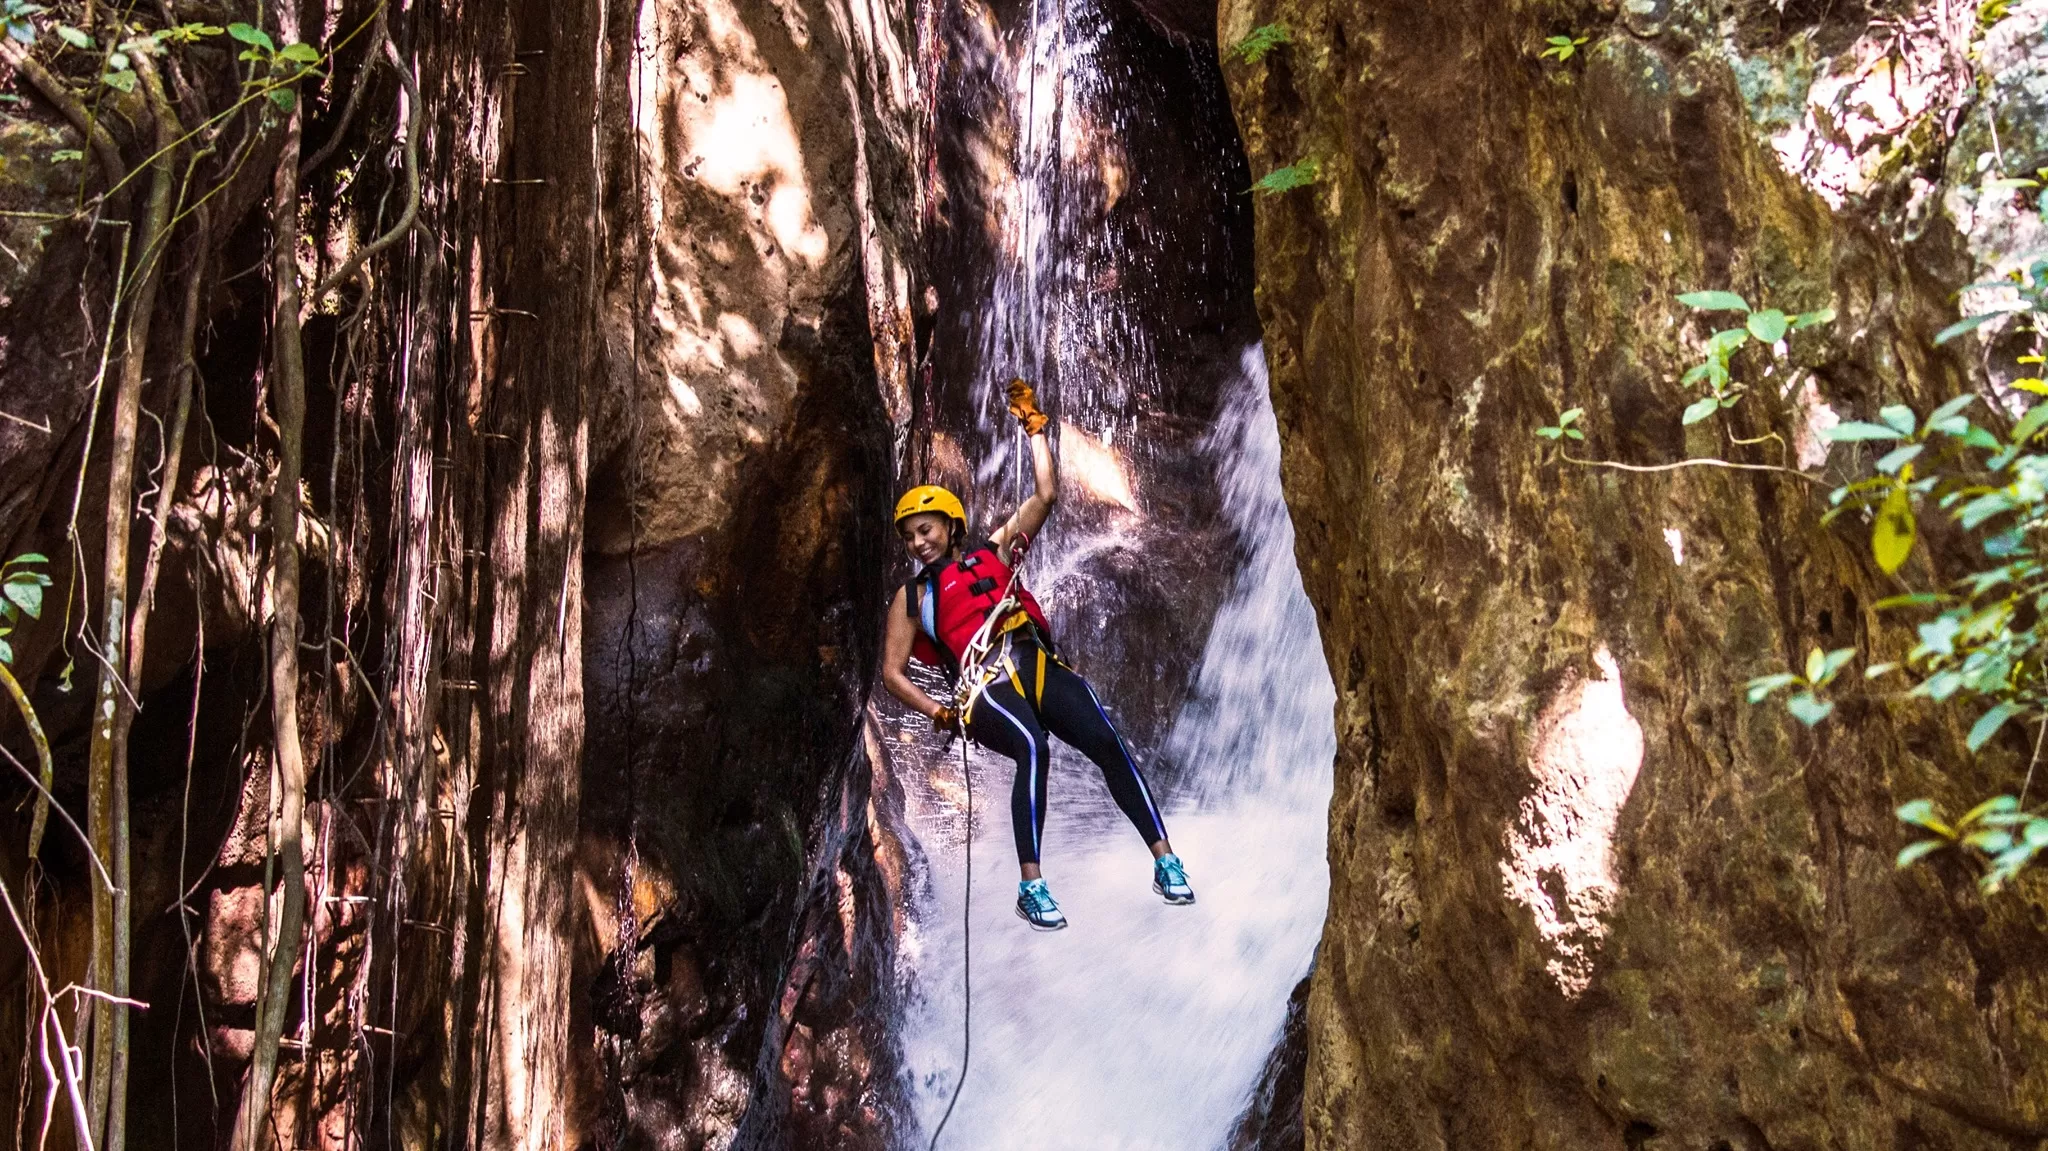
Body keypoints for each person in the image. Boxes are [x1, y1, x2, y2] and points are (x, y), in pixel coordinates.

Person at [881, 379, 1193, 931]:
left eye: (924, 530)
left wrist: (1036, 432)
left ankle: (1165, 859)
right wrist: (937, 712)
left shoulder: (994, 549)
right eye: (908, 537)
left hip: (1035, 661)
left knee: (1105, 739)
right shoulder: (913, 597)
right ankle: (1032, 885)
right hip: (982, 687)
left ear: (951, 526)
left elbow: (1046, 494)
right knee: (1032, 745)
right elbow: (892, 673)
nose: (917, 543)